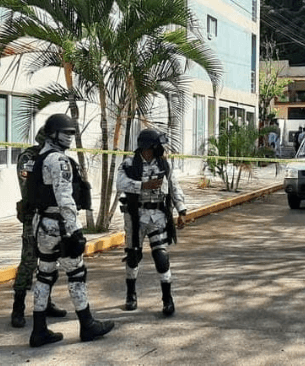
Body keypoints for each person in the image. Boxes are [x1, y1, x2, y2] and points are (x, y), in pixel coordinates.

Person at [27, 114, 114, 347]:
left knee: (45, 274)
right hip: (60, 226)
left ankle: (38, 330)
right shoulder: (58, 160)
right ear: (52, 134)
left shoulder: (39, 157)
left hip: (42, 225)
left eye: (72, 133)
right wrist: (75, 230)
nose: (69, 137)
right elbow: (64, 197)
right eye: (65, 133)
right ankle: (87, 324)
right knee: (76, 273)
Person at [117, 128, 187, 317]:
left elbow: (174, 186)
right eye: (155, 146)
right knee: (133, 256)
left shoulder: (164, 164)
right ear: (147, 147)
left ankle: (167, 299)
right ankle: (131, 294)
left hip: (157, 215)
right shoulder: (129, 164)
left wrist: (181, 209)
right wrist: (142, 185)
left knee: (161, 257)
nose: (159, 150)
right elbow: (120, 184)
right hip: (135, 217)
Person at [11, 128, 67, 328]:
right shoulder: (29, 157)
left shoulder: (57, 158)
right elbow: (27, 186)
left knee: (51, 262)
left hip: (53, 216)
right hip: (34, 216)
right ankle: (18, 308)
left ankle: (46, 302)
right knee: (28, 261)